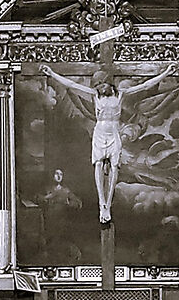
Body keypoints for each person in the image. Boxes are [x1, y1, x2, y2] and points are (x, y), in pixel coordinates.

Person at [38, 58, 162, 226]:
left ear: (109, 83)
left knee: (114, 168)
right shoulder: (96, 95)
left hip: (113, 134)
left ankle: (107, 205)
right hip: (100, 133)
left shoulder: (121, 94)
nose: (99, 87)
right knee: (98, 165)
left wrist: (166, 73)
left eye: (101, 84)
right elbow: (72, 85)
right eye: (97, 85)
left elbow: (145, 86)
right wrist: (52, 73)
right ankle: (101, 202)